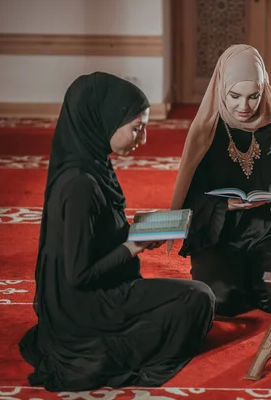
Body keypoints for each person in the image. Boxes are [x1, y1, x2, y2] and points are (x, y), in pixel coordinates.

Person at [18, 72, 215, 392]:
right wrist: (134, 245)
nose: (144, 138)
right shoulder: (80, 185)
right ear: (104, 121)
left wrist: (137, 231)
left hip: (88, 295)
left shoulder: (89, 164)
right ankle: (108, 348)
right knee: (199, 299)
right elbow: (79, 275)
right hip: (85, 306)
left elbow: (94, 236)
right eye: (137, 128)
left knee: (193, 297)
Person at [168, 44, 271, 317]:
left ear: (263, 90)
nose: (244, 106)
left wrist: (269, 195)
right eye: (234, 96)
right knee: (221, 301)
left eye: (254, 96)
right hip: (217, 232)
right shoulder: (207, 130)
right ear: (221, 89)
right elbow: (189, 196)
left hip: (267, 228)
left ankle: (258, 272)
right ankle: (245, 275)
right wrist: (224, 206)